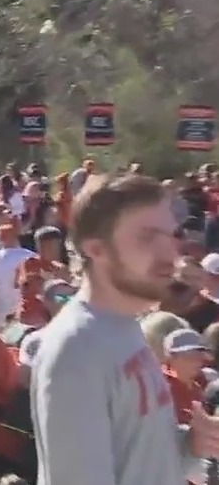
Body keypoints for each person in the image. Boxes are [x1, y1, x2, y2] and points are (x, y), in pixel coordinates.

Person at [31, 174, 219, 485]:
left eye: (171, 235)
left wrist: (190, 445)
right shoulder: (76, 350)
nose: (170, 254)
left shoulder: (125, 328)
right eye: (146, 237)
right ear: (97, 249)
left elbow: (138, 460)